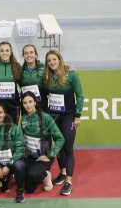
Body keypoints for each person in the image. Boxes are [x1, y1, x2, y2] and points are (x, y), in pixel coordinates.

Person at [44, 50, 84, 196]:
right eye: (49, 61)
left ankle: (68, 181)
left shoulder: (71, 74)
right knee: (58, 145)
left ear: (60, 60)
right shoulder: (47, 76)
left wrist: (77, 116)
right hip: (54, 116)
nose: (52, 62)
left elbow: (80, 95)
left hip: (68, 116)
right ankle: (62, 173)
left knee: (68, 148)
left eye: (54, 59)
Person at [20, 91, 65, 194]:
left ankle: (46, 176)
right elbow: (22, 139)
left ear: (35, 102)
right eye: (25, 103)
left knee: (32, 175)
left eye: (30, 101)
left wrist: (50, 155)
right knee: (29, 189)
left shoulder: (46, 118)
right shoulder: (24, 118)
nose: (28, 105)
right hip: (29, 155)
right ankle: (36, 172)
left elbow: (60, 138)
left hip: (44, 155)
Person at [0, 41, 22, 124]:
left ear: (11, 52)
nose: (4, 53)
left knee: (11, 132)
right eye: (2, 51)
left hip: (13, 106)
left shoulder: (17, 66)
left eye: (7, 50)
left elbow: (23, 85)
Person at [18, 44, 47, 111]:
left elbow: (56, 67)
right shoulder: (20, 70)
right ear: (23, 56)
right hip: (26, 107)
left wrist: (66, 67)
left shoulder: (44, 68)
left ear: (35, 54)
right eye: (26, 53)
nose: (29, 55)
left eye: (31, 52)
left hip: (41, 105)